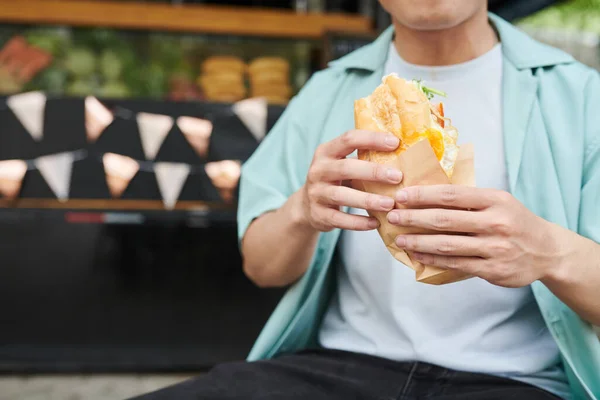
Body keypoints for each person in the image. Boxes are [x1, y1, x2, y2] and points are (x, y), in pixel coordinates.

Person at [133, 1, 600, 399]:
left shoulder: (580, 97)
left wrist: (547, 250)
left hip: (516, 381)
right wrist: (301, 211)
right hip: (337, 370)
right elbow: (262, 266)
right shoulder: (328, 91)